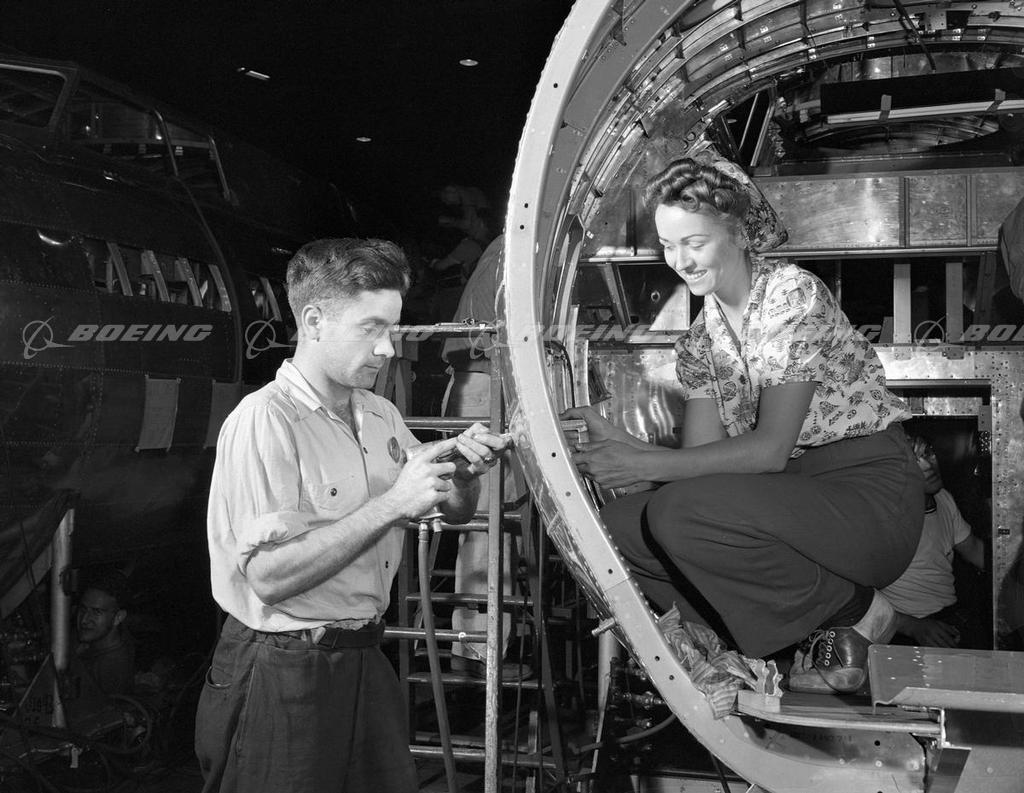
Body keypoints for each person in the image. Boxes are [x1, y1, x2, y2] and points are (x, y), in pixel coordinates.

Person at [566, 154, 924, 694]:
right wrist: (624, 443)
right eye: (668, 244)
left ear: (735, 233)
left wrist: (642, 461)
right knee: (622, 528)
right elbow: (702, 466)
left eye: (695, 242)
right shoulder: (701, 340)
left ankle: (857, 612)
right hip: (786, 501)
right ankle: (739, 653)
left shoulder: (789, 295)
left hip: (866, 495)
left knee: (678, 511)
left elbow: (769, 451)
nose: (680, 260)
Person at [194, 238, 511, 793]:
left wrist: (461, 474)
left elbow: (453, 514)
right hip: (285, 668)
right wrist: (393, 503)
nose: (388, 348)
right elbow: (269, 579)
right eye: (371, 328)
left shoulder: (380, 414)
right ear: (314, 321)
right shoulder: (266, 421)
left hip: (365, 658)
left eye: (392, 327)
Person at [442, 235, 531, 681]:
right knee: (486, 526)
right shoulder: (512, 249)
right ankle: (479, 657)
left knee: (497, 524)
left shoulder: (511, 245)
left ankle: (482, 649)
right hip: (484, 390)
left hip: (488, 386)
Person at [882, 435, 986, 647]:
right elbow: (853, 592)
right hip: (904, 628)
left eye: (928, 453)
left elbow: (975, 550)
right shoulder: (884, 516)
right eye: (913, 460)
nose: (928, 465)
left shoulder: (943, 499)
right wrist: (911, 627)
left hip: (946, 618)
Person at [75, 570, 135, 697]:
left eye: (96, 612)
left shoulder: (110, 667)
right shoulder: (115, 640)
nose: (84, 619)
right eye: (83, 609)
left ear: (118, 617)